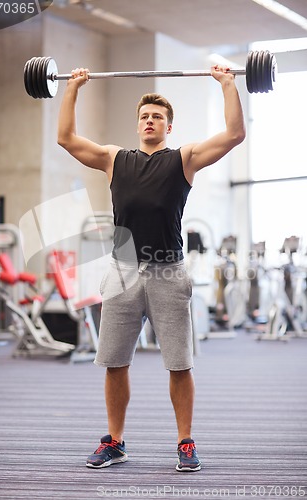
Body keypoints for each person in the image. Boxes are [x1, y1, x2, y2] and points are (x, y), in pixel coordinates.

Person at [57, 63, 245, 472]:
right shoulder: (113, 159)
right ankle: (115, 441)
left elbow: (234, 134)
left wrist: (228, 84)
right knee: (114, 361)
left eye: (157, 116)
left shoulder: (184, 159)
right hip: (122, 271)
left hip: (168, 272)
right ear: (137, 124)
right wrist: (72, 88)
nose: (149, 120)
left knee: (179, 363)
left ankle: (185, 442)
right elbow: (66, 138)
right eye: (144, 116)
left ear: (168, 127)